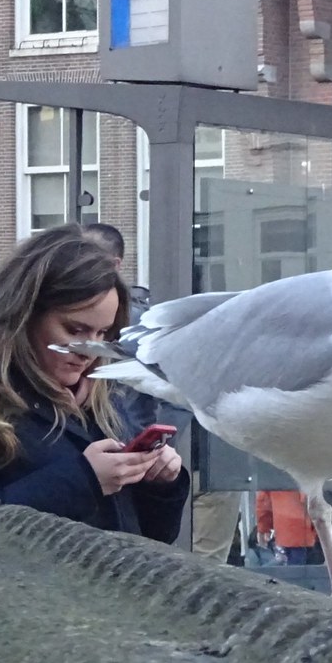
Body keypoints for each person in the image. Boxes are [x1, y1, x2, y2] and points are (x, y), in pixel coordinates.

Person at [0, 225, 189, 544]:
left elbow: (148, 540)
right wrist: (85, 481)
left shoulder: (104, 392)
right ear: (24, 314)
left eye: (102, 334)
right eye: (74, 330)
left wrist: (159, 486)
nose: (89, 351)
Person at [84, 222, 242, 561]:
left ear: (114, 266)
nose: (89, 344)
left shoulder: (140, 323)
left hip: (186, 465)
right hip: (167, 465)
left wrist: (148, 446)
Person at [255, 490, 317, 565]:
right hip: (313, 531)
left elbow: (264, 502)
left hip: (287, 533)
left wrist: (263, 529)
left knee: (291, 571)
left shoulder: (273, 478)